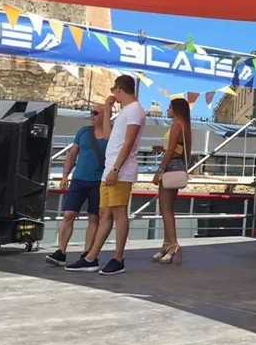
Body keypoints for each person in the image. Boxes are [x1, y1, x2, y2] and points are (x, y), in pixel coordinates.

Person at [65, 75, 146, 275]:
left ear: (119, 89)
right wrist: (108, 111)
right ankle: (91, 257)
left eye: (114, 90)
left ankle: (118, 258)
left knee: (119, 214)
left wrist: (116, 169)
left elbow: (128, 143)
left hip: (120, 171)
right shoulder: (126, 111)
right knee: (104, 214)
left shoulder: (135, 110)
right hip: (111, 169)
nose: (113, 95)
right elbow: (111, 136)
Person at [45, 105, 108, 267]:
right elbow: (72, 154)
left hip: (98, 182)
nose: (92, 115)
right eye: (91, 112)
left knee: (94, 218)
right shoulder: (83, 131)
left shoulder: (111, 135)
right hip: (79, 179)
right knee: (68, 215)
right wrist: (65, 176)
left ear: (105, 115)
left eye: (95, 113)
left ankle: (87, 253)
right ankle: (61, 252)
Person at [150, 99, 192, 264]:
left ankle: (173, 244)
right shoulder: (184, 126)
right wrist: (162, 149)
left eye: (169, 107)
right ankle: (166, 243)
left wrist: (159, 172)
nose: (167, 110)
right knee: (167, 207)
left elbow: (170, 152)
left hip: (171, 167)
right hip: (177, 164)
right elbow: (177, 149)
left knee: (166, 208)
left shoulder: (177, 126)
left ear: (176, 109)